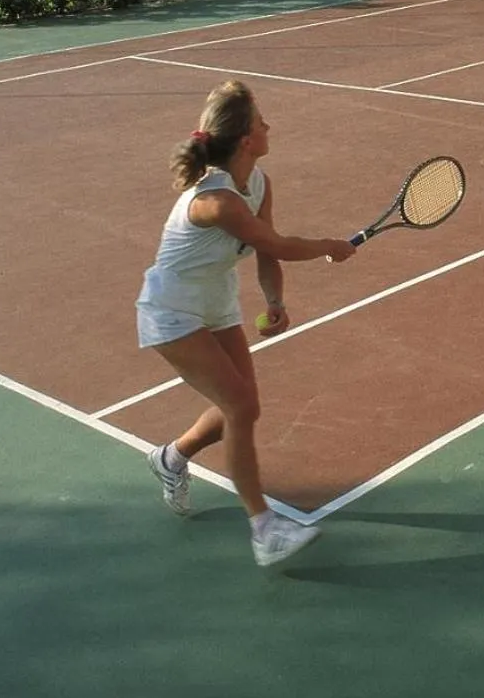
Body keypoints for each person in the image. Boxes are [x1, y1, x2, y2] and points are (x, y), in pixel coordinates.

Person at [136, 78, 356, 568]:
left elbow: (264, 248)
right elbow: (277, 244)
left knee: (245, 407)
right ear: (244, 139)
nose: (269, 126)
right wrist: (328, 245)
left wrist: (274, 299)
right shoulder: (215, 200)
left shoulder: (257, 183)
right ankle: (263, 529)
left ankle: (171, 457)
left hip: (215, 302)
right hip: (171, 309)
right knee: (237, 405)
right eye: (260, 122)